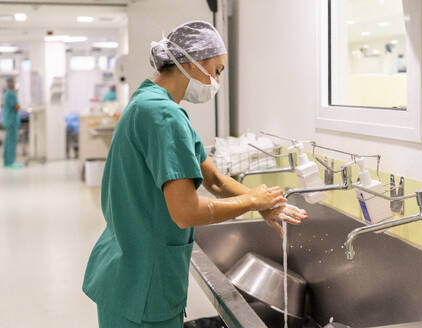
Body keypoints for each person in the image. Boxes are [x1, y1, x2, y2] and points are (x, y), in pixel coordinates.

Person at [82, 21, 308, 328]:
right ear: (194, 63)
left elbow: (214, 180)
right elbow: (186, 212)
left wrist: (265, 203)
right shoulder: (164, 116)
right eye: (217, 71)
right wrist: (253, 201)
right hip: (143, 287)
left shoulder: (151, 102)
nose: (216, 81)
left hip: (126, 269)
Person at [2, 77, 22, 169]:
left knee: (8, 141)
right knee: (12, 142)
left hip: (8, 120)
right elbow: (17, 107)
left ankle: (6, 161)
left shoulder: (6, 94)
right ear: (12, 84)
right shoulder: (11, 94)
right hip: (12, 121)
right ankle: (11, 162)